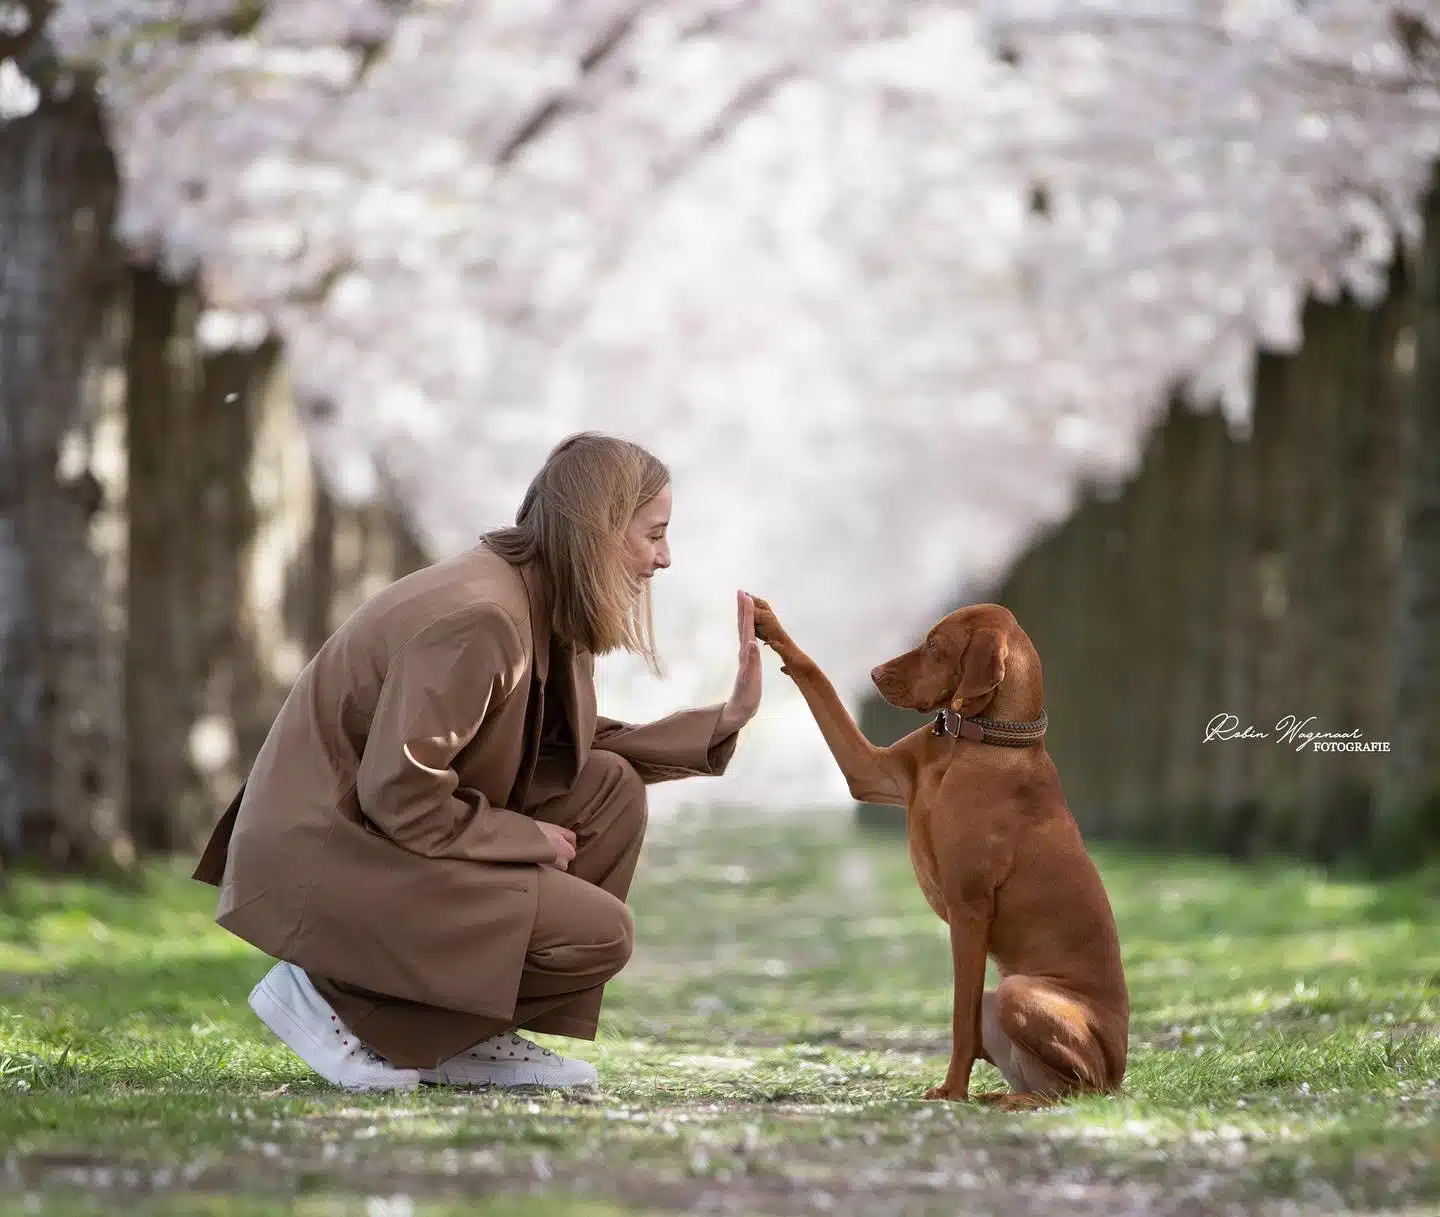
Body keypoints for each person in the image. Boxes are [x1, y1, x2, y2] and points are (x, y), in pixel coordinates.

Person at [192, 432, 763, 1092]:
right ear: (600, 531)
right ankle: (335, 1001)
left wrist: (722, 722)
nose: (664, 558)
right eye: (654, 534)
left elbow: (569, 750)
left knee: (609, 793)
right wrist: (526, 838)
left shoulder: (538, 599)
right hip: (330, 856)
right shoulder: (483, 618)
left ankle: (454, 1034)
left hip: (376, 838)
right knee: (600, 935)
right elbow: (401, 793)